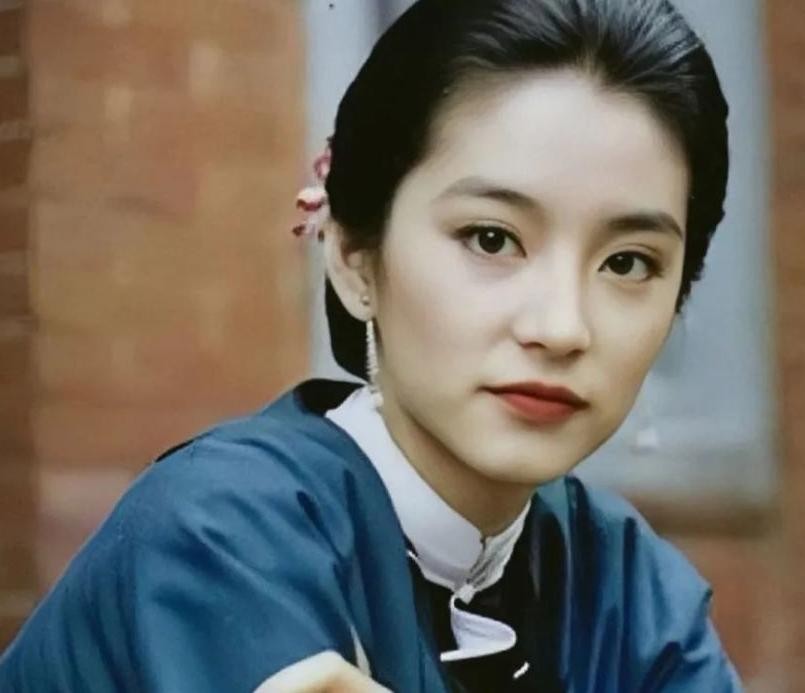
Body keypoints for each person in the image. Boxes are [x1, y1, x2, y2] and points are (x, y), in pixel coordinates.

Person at [0, 0, 741, 690]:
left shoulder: (632, 595)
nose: (562, 327)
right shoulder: (223, 534)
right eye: (491, 238)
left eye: (628, 262)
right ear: (354, 258)